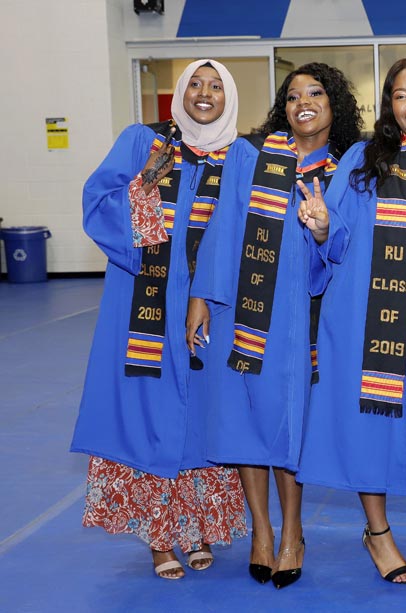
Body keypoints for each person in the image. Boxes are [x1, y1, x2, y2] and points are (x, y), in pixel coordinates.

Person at [185, 63, 362, 588]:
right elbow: (221, 228)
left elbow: (345, 245)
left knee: (292, 428)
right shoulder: (251, 157)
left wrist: (324, 228)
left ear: (335, 105)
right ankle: (262, 532)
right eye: (292, 95)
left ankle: (293, 533)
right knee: (244, 421)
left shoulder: (346, 168)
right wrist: (200, 296)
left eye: (315, 93)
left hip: (306, 319)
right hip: (242, 313)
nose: (302, 102)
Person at [295, 57, 406, 591]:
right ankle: (379, 534)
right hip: (367, 320)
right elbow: (337, 236)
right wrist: (323, 228)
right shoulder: (363, 161)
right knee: (370, 427)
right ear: (389, 106)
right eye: (400, 95)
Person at [70, 59, 247, 580]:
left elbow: (252, 226)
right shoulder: (143, 141)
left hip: (210, 304)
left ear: (229, 97)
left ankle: (195, 526)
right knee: (149, 410)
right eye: (195, 82)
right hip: (143, 304)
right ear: (180, 91)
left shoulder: (240, 156)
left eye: (216, 85)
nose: (205, 92)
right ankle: (159, 537)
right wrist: (147, 181)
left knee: (201, 411)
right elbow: (96, 204)